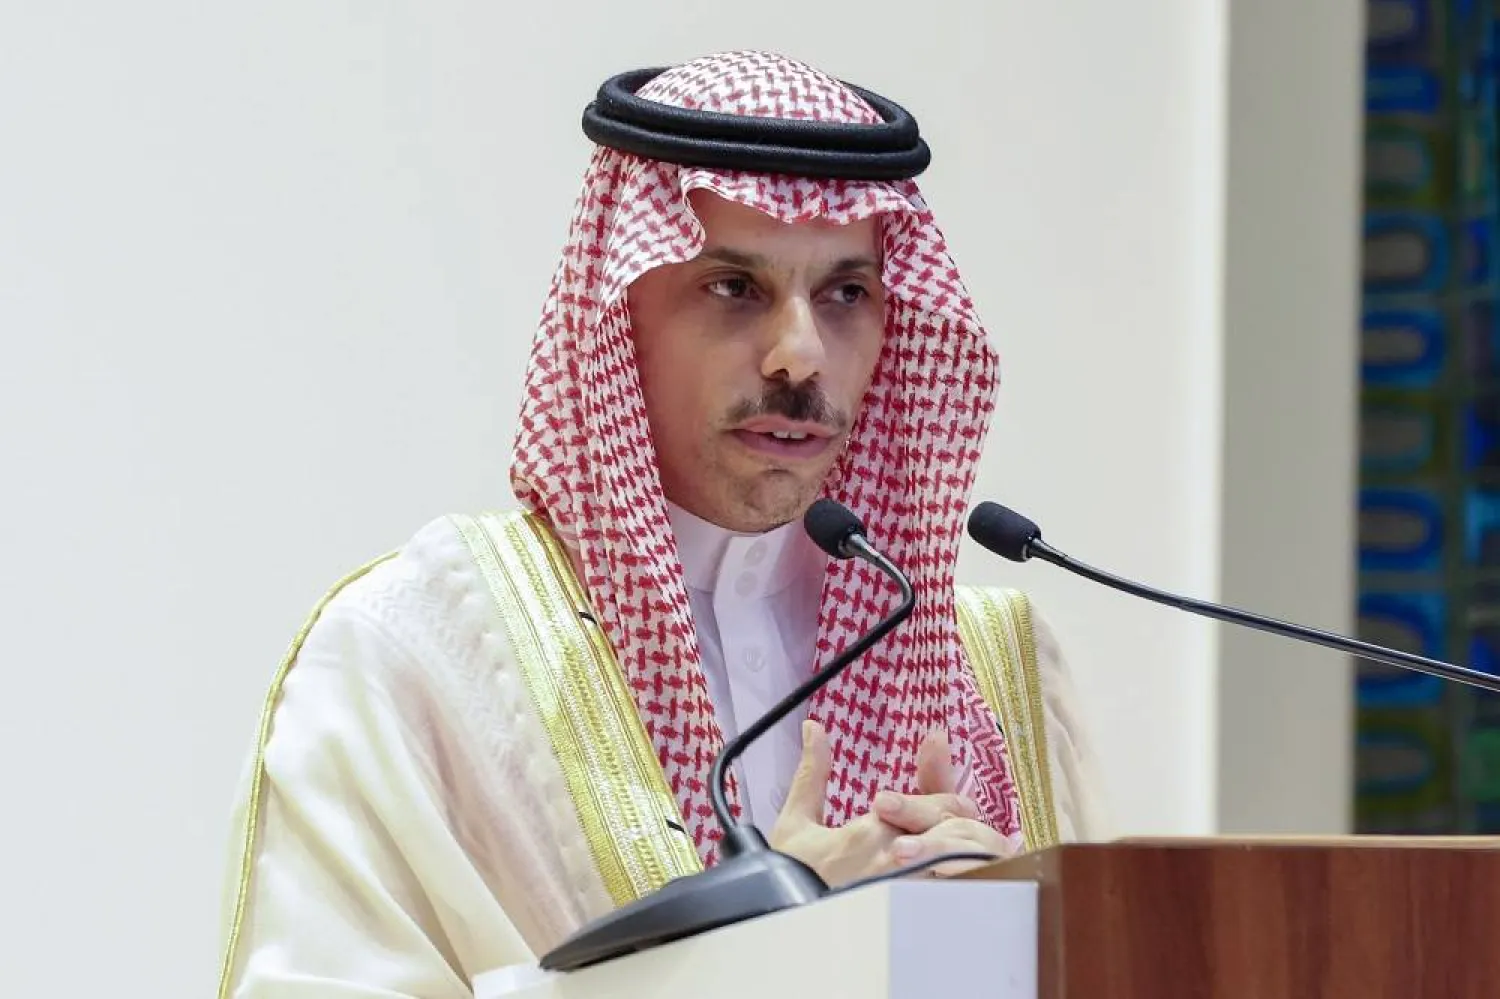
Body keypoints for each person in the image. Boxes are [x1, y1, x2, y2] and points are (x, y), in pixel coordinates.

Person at [214, 49, 1108, 998]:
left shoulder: (995, 670)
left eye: (848, 292)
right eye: (735, 287)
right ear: (619, 314)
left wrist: (999, 950)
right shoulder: (412, 658)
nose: (800, 354)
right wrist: (754, 955)